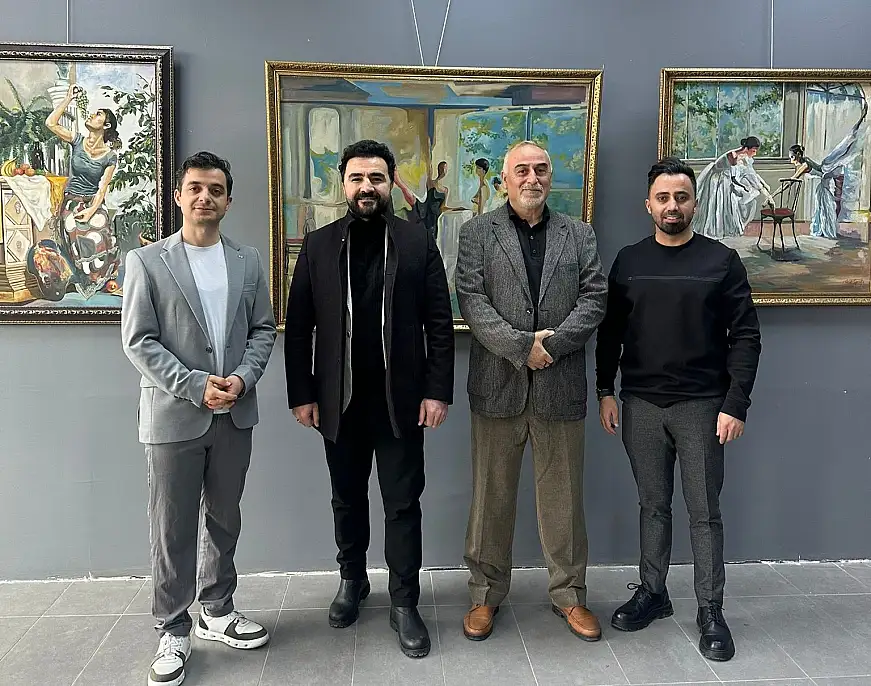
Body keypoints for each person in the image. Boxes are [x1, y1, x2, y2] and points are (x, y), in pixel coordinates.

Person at [284, 139, 455, 658]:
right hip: (338, 401)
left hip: (400, 402)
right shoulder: (317, 246)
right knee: (346, 498)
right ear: (343, 183)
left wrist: (437, 391)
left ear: (389, 184)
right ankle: (352, 580)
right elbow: (299, 328)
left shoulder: (417, 241)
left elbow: (439, 324)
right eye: (357, 178)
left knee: (403, 504)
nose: (366, 187)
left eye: (376, 178)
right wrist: (302, 393)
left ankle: (404, 601)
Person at [595, 156, 762, 663]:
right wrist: (605, 389)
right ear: (647, 205)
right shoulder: (629, 261)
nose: (673, 206)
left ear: (695, 202)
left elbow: (746, 336)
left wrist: (735, 403)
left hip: (703, 407)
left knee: (704, 513)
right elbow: (610, 332)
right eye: (663, 198)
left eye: (681, 197)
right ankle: (653, 592)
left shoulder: (721, 261)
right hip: (641, 404)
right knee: (653, 506)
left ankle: (711, 610)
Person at [121, 151, 277, 686]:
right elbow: (139, 340)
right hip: (173, 417)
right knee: (172, 526)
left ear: (228, 200)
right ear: (178, 196)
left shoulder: (247, 261)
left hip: (234, 412)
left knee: (224, 518)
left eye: (215, 189)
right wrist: (194, 385)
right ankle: (172, 628)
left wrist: (242, 380)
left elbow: (263, 329)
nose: (205, 197)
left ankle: (217, 609)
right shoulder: (147, 262)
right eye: (195, 188)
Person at [455, 140, 607, 642]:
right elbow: (472, 300)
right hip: (496, 387)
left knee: (564, 502)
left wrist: (551, 347)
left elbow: (594, 297)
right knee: (490, 499)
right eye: (521, 170)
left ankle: (570, 595)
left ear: (550, 176)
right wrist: (522, 347)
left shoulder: (579, 234)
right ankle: (484, 594)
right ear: (505, 180)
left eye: (540, 169)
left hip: (560, 387)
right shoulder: (477, 233)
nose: (531, 178)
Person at [42, 84, 122, 298]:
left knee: (100, 231)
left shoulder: (110, 156)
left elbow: (102, 188)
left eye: (98, 115)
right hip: (71, 200)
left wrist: (91, 210)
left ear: (106, 125)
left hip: (93, 202)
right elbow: (50, 123)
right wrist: (68, 98)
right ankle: (83, 278)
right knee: (74, 228)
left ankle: (99, 279)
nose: (92, 115)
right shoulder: (77, 140)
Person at [787, 99, 867, 238]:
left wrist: (783, 186)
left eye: (792, 157)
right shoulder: (805, 161)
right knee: (844, 147)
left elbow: (794, 178)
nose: (791, 160)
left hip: (825, 178)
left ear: (798, 155)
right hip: (824, 180)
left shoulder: (804, 165)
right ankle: (824, 229)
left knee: (845, 145)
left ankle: (826, 230)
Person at [693, 136, 775, 240]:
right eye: (754, 151)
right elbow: (736, 176)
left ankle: (725, 230)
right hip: (718, 182)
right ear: (747, 148)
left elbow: (751, 173)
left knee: (743, 197)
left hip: (727, 180)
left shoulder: (745, 158)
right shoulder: (733, 155)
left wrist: (763, 184)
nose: (755, 154)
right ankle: (715, 231)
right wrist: (746, 187)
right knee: (720, 205)